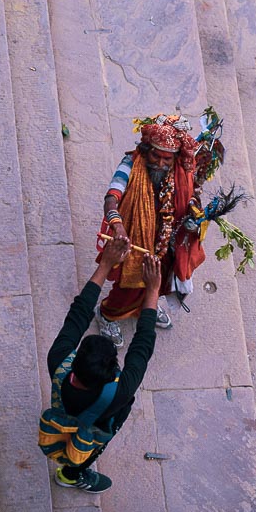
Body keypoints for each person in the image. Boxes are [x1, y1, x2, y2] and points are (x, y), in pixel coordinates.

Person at [41, 238, 161, 493]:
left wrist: (106, 264)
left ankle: (73, 468)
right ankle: (71, 474)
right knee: (88, 447)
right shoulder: (120, 392)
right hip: (100, 422)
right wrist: (152, 291)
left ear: (76, 360)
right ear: (110, 373)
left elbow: (79, 313)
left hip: (65, 405)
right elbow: (142, 345)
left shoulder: (59, 359)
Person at [96, 113, 207, 347]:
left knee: (162, 281)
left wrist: (192, 218)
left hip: (167, 241)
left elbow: (192, 198)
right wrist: (118, 226)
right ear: (147, 150)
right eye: (156, 156)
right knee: (129, 286)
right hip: (133, 238)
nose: (160, 163)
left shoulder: (182, 170)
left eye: (167, 159)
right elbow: (111, 199)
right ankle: (107, 315)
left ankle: (147, 308)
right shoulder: (129, 165)